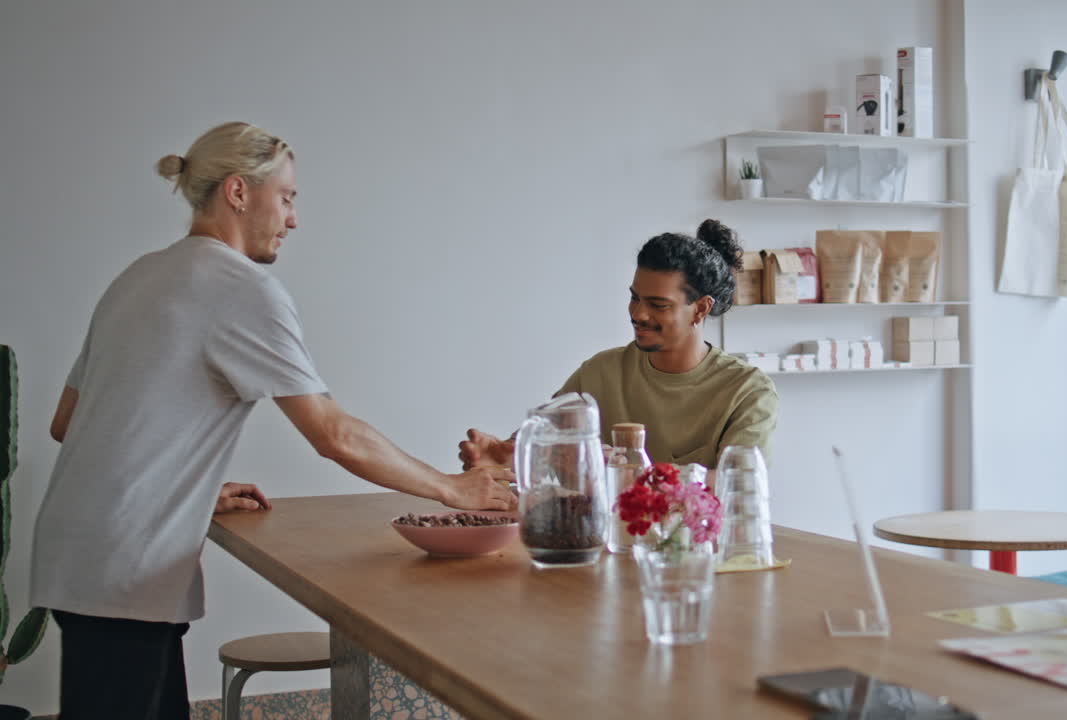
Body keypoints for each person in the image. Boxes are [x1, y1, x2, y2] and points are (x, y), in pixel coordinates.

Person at [29, 121, 515, 720]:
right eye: (286, 198)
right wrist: (451, 488)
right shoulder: (239, 288)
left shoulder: (140, 275)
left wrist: (191, 489)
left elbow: (68, 422)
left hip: (84, 554)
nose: (293, 218)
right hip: (125, 569)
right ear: (238, 192)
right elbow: (333, 434)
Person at [460, 219, 778, 473]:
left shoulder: (748, 391)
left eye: (658, 304)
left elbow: (739, 486)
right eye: (634, 297)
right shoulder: (600, 372)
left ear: (700, 308)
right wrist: (505, 457)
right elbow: (543, 443)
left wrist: (624, 469)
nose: (638, 313)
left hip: (702, 551)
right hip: (608, 544)